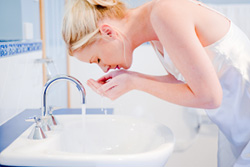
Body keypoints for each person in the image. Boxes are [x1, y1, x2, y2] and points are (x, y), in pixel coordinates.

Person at [62, 0, 250, 166]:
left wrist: (135, 82)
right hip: (237, 130)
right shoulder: (154, 24)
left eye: (97, 59)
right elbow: (188, 81)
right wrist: (130, 79)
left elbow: (210, 97)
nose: (104, 68)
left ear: (108, 32)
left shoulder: (164, 13)